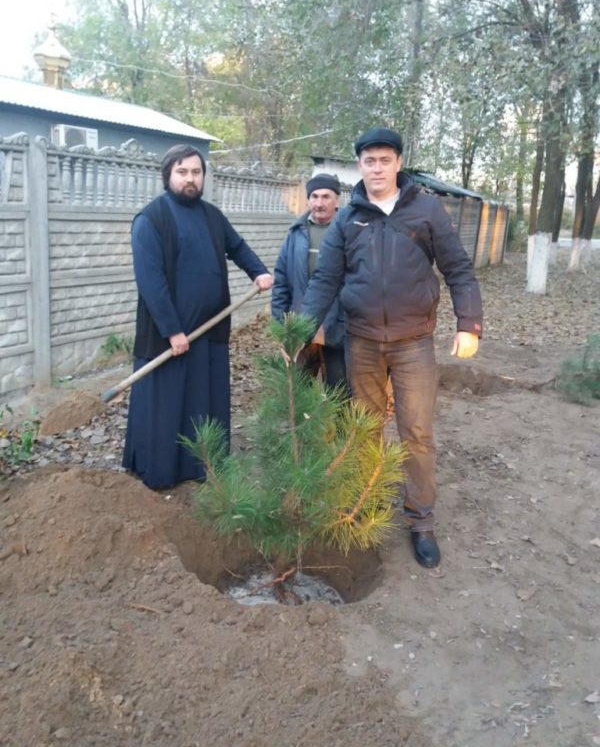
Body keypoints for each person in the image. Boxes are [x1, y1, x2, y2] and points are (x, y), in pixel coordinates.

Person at [301, 127, 483, 568]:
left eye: (384, 160)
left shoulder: (426, 210)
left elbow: (458, 267)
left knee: (416, 434)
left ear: (398, 163)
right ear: (359, 166)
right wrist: (302, 330)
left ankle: (421, 522)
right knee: (364, 431)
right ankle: (368, 511)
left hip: (413, 343)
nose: (376, 168)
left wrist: (469, 323)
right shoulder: (349, 217)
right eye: (369, 161)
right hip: (362, 342)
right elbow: (326, 278)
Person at [123, 144, 273, 489]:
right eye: (182, 172)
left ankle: (202, 465)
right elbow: (151, 281)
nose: (190, 179)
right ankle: (161, 472)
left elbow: (237, 246)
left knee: (204, 399)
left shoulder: (211, 215)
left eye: (196, 172)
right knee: (167, 404)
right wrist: (173, 330)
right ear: (168, 175)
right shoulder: (151, 219)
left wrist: (258, 271)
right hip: (170, 334)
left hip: (210, 330)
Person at [271, 173, 347, 391]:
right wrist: (280, 325)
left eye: (326, 197)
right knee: (297, 392)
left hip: (337, 326)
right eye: (314, 196)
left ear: (337, 201)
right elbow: (281, 281)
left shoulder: (347, 231)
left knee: (340, 394)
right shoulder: (296, 234)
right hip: (301, 324)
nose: (319, 203)